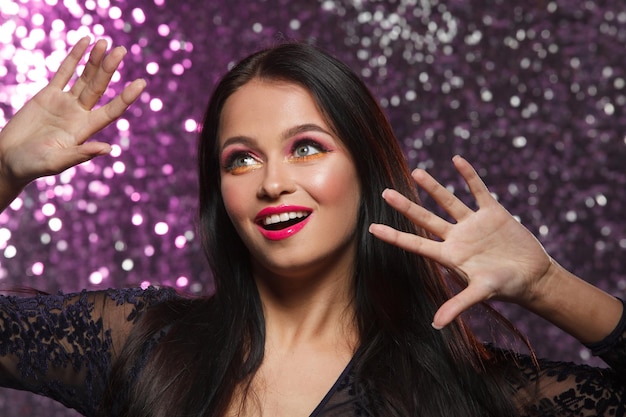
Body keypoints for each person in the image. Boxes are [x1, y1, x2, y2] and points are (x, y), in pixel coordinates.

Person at [0, 37, 624, 417]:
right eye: (240, 159)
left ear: (366, 168)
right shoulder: (142, 344)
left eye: (306, 148)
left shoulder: (463, 389)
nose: (272, 181)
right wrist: (3, 172)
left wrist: (547, 285)